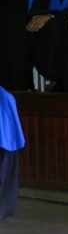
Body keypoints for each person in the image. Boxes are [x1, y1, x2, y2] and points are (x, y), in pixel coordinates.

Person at [0, 85, 25, 221]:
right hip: (8, 141)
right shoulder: (8, 96)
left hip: (5, 141)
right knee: (5, 178)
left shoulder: (6, 97)